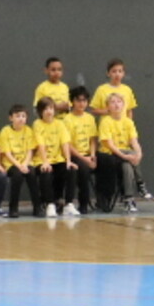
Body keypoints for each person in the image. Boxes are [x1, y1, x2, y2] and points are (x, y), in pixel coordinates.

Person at [90, 58, 152, 200]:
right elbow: (93, 110)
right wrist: (107, 111)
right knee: (127, 157)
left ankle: (130, 195)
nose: (117, 74)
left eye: (120, 71)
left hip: (123, 131)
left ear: (123, 73)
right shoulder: (102, 89)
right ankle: (139, 185)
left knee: (129, 160)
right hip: (110, 134)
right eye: (114, 71)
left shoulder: (127, 90)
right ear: (108, 73)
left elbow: (130, 111)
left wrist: (128, 128)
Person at [97, 93, 143, 213]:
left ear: (123, 105)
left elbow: (134, 141)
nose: (116, 104)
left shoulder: (128, 122)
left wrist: (139, 153)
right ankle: (140, 183)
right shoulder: (106, 121)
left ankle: (128, 198)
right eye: (113, 102)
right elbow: (110, 145)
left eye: (119, 101)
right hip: (110, 155)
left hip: (125, 153)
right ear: (107, 107)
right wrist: (125, 156)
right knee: (127, 160)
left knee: (127, 165)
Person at [0, 104, 45, 218]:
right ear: (11, 118)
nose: (21, 119)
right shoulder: (5, 131)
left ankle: (37, 207)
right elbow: (7, 153)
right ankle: (13, 208)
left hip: (26, 163)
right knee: (17, 176)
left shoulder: (29, 131)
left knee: (32, 174)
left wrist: (25, 164)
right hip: (11, 164)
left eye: (23, 116)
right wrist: (19, 166)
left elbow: (30, 151)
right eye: (18, 116)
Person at [33, 96, 74, 217]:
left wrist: (68, 160)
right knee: (46, 172)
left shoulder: (60, 124)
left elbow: (65, 143)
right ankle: (50, 204)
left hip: (58, 159)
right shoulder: (37, 124)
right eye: (45, 109)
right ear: (40, 111)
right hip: (41, 160)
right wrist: (45, 161)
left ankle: (68, 204)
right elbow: (40, 144)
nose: (49, 111)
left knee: (70, 170)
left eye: (51, 108)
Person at [63, 85, 97, 214]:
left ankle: (104, 199)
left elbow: (93, 139)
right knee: (82, 168)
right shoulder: (67, 120)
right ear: (72, 102)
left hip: (88, 153)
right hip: (74, 155)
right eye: (78, 100)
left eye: (84, 100)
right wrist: (85, 159)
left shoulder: (90, 118)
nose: (81, 103)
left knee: (107, 163)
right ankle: (82, 204)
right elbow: (68, 144)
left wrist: (93, 155)